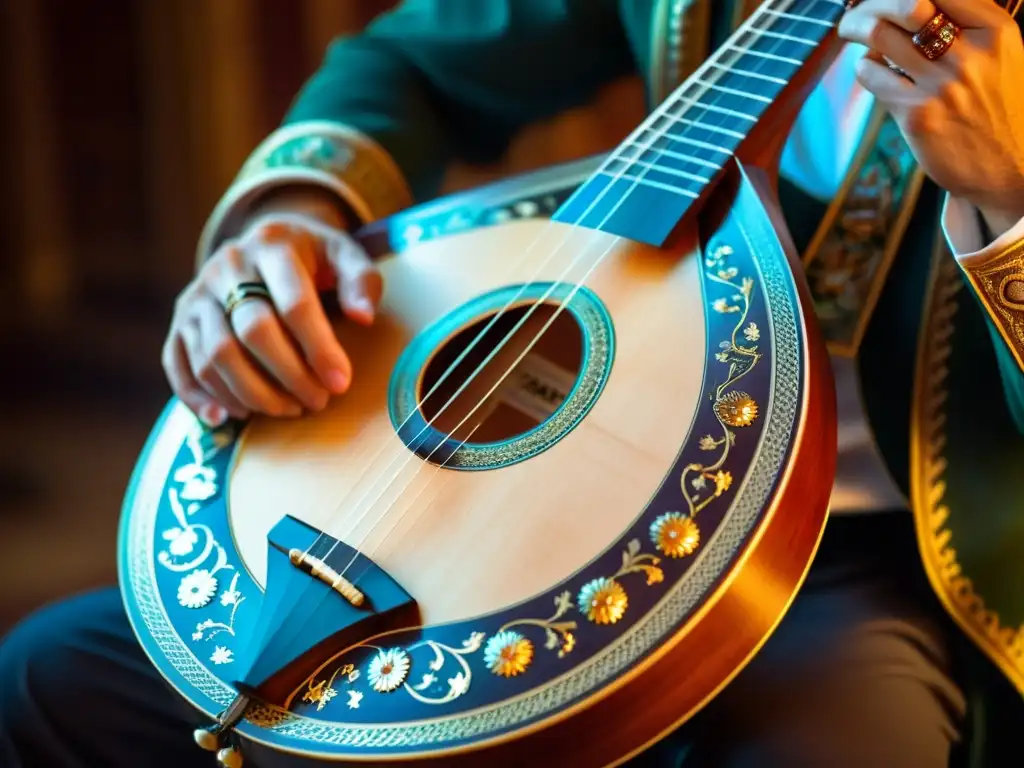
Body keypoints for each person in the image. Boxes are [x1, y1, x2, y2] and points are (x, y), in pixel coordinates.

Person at [3, 0, 1024, 766]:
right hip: (526, 473)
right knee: (53, 681)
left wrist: (1010, 190)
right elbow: (415, 60)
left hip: (884, 550)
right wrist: (287, 218)